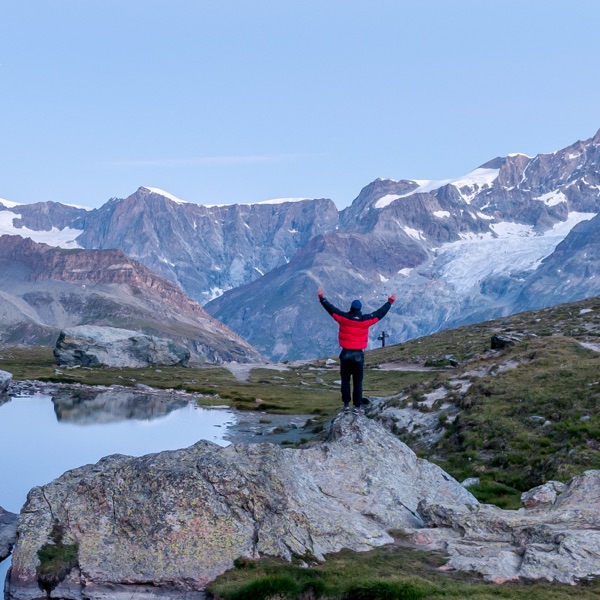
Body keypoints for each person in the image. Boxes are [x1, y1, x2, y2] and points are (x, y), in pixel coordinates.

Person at [318, 287, 396, 415]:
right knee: (358, 382)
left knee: (345, 381)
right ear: (359, 309)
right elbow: (379, 313)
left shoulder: (343, 318)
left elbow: (330, 309)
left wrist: (322, 298)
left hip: (345, 354)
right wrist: (390, 302)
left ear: (351, 308)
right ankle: (357, 407)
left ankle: (345, 406)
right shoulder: (365, 320)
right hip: (358, 355)